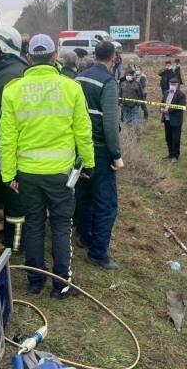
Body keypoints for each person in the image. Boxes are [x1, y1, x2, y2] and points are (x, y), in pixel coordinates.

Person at [0, 34, 94, 298]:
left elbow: (6, 137)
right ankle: (61, 284)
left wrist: (9, 174)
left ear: (28, 58)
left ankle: (35, 281)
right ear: (54, 58)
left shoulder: (13, 90)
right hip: (62, 174)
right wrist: (89, 164)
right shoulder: (71, 87)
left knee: (33, 224)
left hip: (27, 174)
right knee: (62, 226)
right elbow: (83, 132)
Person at [75, 41, 124, 270]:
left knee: (83, 195)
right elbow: (110, 124)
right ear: (113, 57)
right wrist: (116, 154)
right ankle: (98, 253)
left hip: (79, 148)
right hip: (101, 149)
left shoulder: (79, 78)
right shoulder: (109, 82)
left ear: (94, 55)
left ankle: (84, 236)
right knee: (106, 203)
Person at [0, 25, 29, 252]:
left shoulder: (9, 76)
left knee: (15, 198)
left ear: (4, 47)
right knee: (10, 195)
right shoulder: (5, 71)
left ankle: (12, 246)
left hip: (11, 149)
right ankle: (10, 235)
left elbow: (3, 119)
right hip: (6, 147)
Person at [160, 76, 186, 162]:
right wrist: (161, 108)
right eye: (171, 84)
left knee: (176, 138)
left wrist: (169, 111)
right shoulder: (166, 92)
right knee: (168, 137)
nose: (172, 85)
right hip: (166, 120)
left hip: (176, 120)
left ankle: (175, 156)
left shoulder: (181, 95)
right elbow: (162, 102)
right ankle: (170, 154)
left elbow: (181, 107)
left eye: (174, 84)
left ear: (177, 85)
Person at [119, 68, 145, 139]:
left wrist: (140, 105)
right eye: (127, 75)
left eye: (130, 75)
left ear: (133, 76)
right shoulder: (123, 83)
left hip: (134, 107)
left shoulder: (137, 84)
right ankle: (128, 138)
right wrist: (119, 103)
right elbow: (120, 94)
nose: (128, 76)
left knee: (135, 123)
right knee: (126, 123)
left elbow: (141, 95)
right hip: (125, 107)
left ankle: (137, 137)